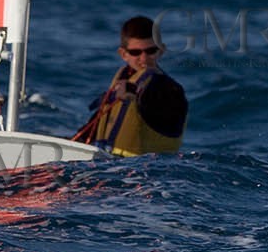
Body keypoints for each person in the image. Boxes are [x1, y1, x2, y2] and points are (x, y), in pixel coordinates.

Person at [73, 15, 188, 156]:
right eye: (135, 52)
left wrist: (135, 96)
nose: (144, 59)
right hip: (108, 163)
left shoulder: (171, 90)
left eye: (151, 51)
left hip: (149, 167)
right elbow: (92, 129)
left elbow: (161, 112)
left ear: (161, 50)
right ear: (123, 54)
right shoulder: (123, 81)